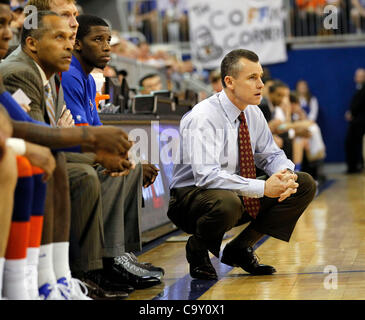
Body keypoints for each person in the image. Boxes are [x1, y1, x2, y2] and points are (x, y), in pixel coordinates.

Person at [167, 49, 316, 280]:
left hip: (232, 190)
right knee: (228, 202)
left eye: (261, 77)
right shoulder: (204, 116)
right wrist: (264, 188)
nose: (261, 84)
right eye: (252, 78)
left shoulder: (253, 113)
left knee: (303, 183)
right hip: (191, 197)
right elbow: (207, 176)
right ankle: (198, 249)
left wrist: (284, 174)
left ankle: (240, 248)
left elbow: (270, 155)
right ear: (230, 81)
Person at [61, 14, 163, 291]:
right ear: (78, 44)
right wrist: (128, 162)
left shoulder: (85, 76)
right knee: (121, 171)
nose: (106, 47)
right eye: (98, 40)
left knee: (130, 165)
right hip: (68, 154)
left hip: (77, 149)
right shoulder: (70, 74)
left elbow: (96, 130)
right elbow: (84, 136)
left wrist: (131, 158)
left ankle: (120, 253)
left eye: (108, 40)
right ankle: (106, 259)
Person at [345, 67, 365, 173]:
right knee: (352, 144)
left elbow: (358, 105)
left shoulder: (363, 89)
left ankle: (355, 166)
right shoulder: (359, 88)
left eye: (360, 76)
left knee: (355, 144)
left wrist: (352, 113)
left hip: (360, 122)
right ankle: (354, 166)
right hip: (357, 121)